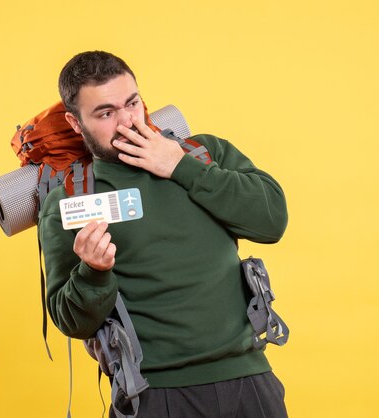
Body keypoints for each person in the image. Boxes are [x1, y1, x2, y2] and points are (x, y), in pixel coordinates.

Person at [38, 50, 289, 418]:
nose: (127, 121)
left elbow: (272, 220)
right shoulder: (73, 197)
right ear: (76, 125)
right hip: (154, 395)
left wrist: (180, 166)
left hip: (250, 381)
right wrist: (93, 271)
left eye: (132, 103)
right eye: (106, 113)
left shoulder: (204, 153)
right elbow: (71, 321)